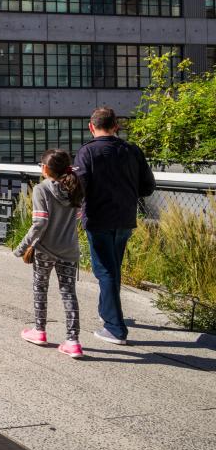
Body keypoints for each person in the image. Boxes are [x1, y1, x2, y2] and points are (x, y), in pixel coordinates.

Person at [74, 107, 156, 346]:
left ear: (91, 126)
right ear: (116, 126)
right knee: (113, 268)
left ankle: (115, 328)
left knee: (105, 271)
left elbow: (80, 186)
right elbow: (148, 186)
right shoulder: (132, 151)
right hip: (125, 218)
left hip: (99, 219)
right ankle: (106, 311)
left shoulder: (87, 152)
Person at [13, 149, 85, 359]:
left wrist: (21, 247)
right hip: (69, 249)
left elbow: (40, 223)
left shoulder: (41, 189)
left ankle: (39, 331)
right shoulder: (75, 187)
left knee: (40, 289)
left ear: (45, 169)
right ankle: (73, 342)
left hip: (44, 249)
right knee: (68, 292)